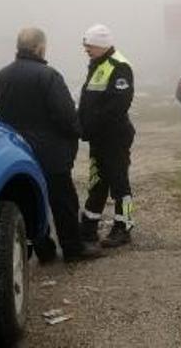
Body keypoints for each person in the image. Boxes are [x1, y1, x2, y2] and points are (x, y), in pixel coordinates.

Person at [0, 27, 103, 262]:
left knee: (31, 202)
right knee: (63, 201)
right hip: (51, 152)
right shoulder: (48, 75)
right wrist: (76, 132)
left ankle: (44, 250)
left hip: (18, 151)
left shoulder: (0, 77)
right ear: (40, 47)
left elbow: (2, 115)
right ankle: (73, 248)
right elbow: (65, 115)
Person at [77, 24, 136, 248]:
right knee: (97, 182)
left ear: (101, 44)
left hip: (114, 136)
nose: (86, 49)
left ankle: (124, 227)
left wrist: (93, 123)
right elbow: (90, 101)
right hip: (97, 137)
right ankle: (89, 228)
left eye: (89, 45)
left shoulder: (119, 65)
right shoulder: (97, 64)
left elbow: (119, 104)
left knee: (119, 182)